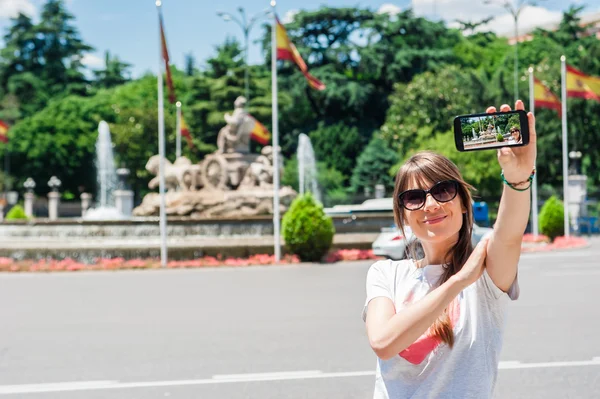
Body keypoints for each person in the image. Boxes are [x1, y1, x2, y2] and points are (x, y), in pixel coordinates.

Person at [363, 100, 536, 399]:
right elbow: (383, 341)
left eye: (443, 191)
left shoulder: (485, 273)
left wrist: (518, 178)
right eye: (414, 197)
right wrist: (457, 282)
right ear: (403, 213)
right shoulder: (385, 273)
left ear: (463, 204)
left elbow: (508, 235)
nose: (430, 205)